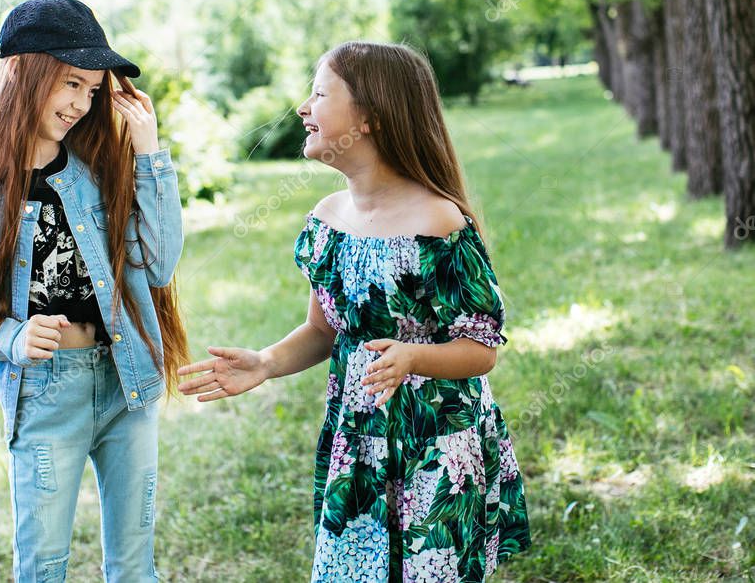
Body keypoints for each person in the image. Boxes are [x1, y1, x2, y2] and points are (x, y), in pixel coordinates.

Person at [178, 41, 531, 581]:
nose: (302, 108)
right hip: (359, 445)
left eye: (319, 94)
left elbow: (481, 350)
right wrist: (267, 362)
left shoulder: (439, 223)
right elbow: (323, 331)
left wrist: (413, 357)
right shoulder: (329, 220)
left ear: (368, 117)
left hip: (435, 448)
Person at [0, 0, 188, 582]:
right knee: (43, 566)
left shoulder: (102, 168)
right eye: (70, 83)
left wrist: (149, 150)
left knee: (135, 565)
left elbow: (159, 265)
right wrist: (11, 336)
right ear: (25, 73)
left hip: (126, 382)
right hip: (43, 393)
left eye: (92, 89)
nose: (81, 104)